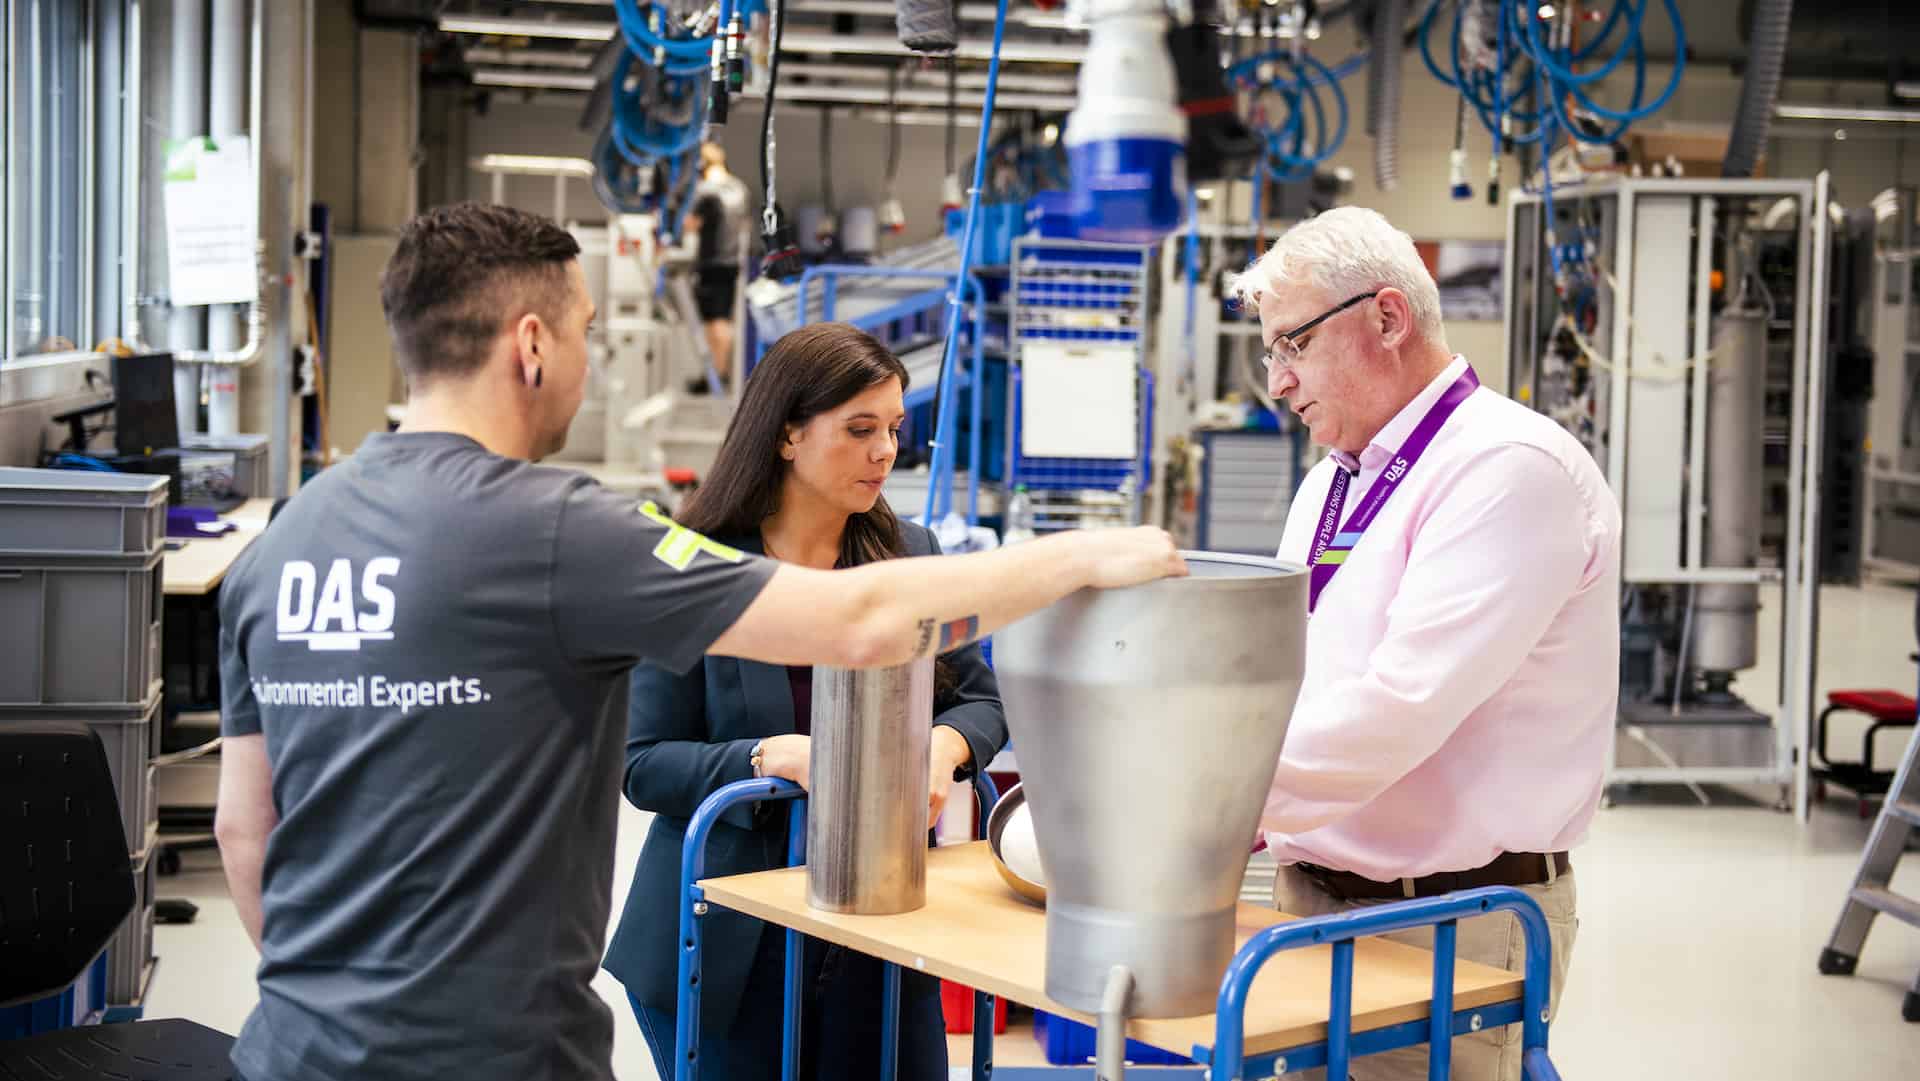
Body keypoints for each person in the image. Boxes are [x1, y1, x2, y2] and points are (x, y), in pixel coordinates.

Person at [212, 202, 1185, 1081]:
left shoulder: (278, 543)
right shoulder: (562, 530)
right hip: (493, 1052)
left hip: (295, 1046)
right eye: (589, 334)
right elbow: (859, 622)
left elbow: (242, 831)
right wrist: (1088, 555)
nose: (593, 359)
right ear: (533, 344)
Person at [1230, 206, 1620, 1081]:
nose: (1278, 383)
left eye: (1291, 345)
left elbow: (1397, 711)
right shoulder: (1338, 479)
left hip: (1451, 923)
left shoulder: (1507, 469)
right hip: (1316, 905)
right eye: (1270, 354)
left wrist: (1204, 796)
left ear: (1386, 318)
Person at [604, 322, 1001, 1081]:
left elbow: (979, 698)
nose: (885, 450)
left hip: (875, 936)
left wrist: (941, 754)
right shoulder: (695, 563)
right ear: (787, 434)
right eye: (859, 430)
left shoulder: (906, 557)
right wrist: (773, 757)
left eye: (893, 428)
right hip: (724, 948)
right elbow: (643, 762)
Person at [687, 141, 750, 391]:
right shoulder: (739, 189)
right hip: (732, 262)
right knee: (722, 319)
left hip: (711, 262)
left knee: (714, 322)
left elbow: (690, 225)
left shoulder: (707, 191)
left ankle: (715, 374)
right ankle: (718, 371)